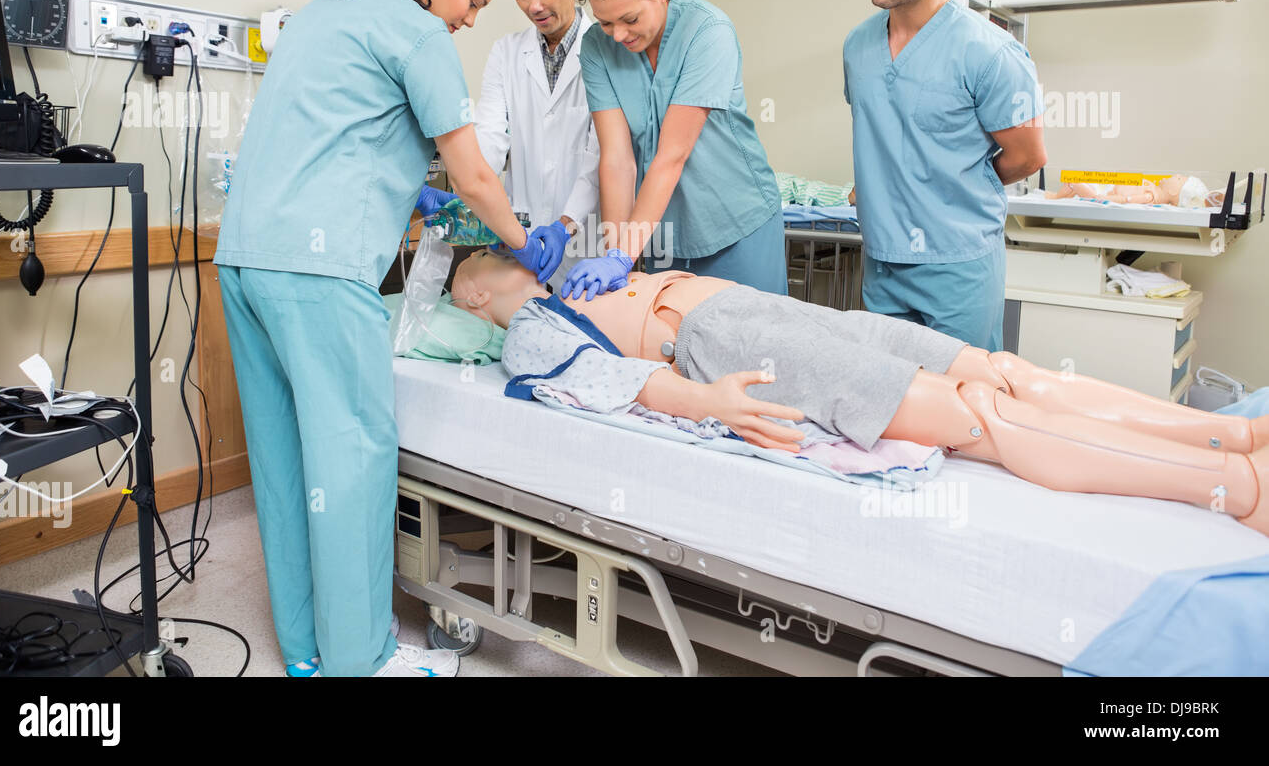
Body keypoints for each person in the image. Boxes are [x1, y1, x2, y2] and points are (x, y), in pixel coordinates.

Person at [213, 0, 548, 678]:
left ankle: (303, 651)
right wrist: (530, 247)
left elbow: (344, 130)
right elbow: (472, 171)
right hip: (320, 275)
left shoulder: (322, 16)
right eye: (474, 1)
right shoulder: (418, 31)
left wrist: (412, 183)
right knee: (353, 462)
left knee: (286, 459)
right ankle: (361, 658)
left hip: (245, 260)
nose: (469, 20)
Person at [450, 248, 1269, 537]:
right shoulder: (528, 330)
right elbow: (601, 381)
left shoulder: (569, 275)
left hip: (752, 306)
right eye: (481, 259)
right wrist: (707, 404)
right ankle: (1233, 489)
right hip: (722, 342)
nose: (502, 246)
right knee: (975, 416)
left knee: (997, 369)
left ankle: (1230, 436)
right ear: (473, 298)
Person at [843, 0, 1047, 351]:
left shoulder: (989, 53)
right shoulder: (857, 48)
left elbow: (1029, 156)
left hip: (957, 267)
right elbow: (886, 132)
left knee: (961, 405)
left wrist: (950, 187)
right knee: (888, 400)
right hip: (883, 261)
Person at [559, 0, 785, 301]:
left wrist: (621, 255)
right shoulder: (596, 46)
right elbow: (617, 159)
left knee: (753, 344)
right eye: (605, 22)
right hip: (664, 232)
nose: (618, 35)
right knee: (674, 347)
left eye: (630, 19)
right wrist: (619, 255)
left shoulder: (707, 32)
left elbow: (670, 157)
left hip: (736, 222)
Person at [474, 0, 602, 290]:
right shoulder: (506, 53)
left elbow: (600, 156)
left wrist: (565, 225)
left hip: (584, 245)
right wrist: (477, 204)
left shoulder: (607, 52)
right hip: (520, 243)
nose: (534, 5)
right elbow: (490, 135)